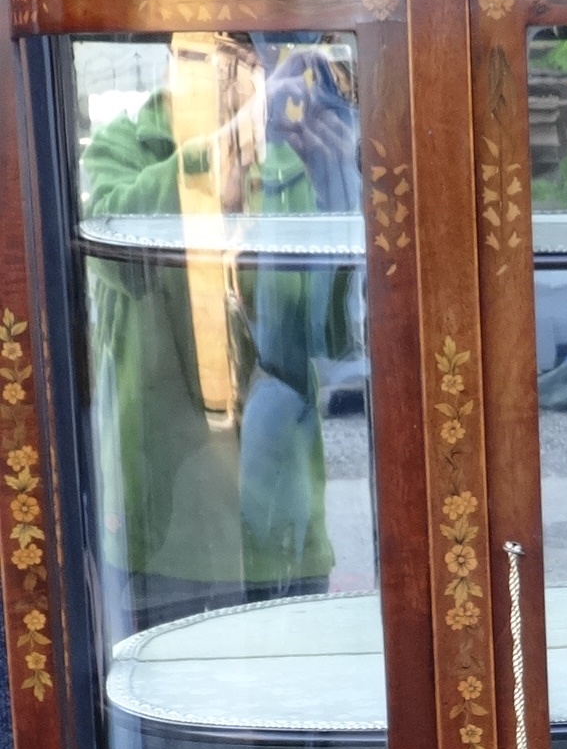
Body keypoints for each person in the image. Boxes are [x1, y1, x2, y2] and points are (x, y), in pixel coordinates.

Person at [80, 36, 360, 627]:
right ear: (177, 57)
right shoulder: (123, 147)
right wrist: (232, 144)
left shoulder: (291, 157)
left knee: (294, 709)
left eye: (257, 53)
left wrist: (341, 192)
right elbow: (115, 258)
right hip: (166, 534)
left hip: (281, 522)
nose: (248, 70)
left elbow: (331, 341)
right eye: (226, 49)